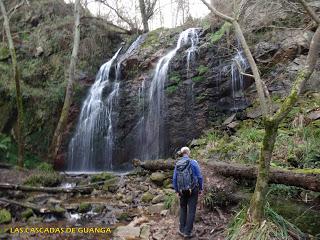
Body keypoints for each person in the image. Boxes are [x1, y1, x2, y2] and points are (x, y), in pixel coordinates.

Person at [173, 146, 203, 238]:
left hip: (182, 190)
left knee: (183, 208)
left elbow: (174, 178)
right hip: (193, 189)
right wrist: (200, 188)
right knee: (191, 211)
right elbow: (199, 177)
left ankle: (181, 229)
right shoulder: (193, 162)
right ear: (188, 153)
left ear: (182, 153)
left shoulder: (178, 163)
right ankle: (187, 232)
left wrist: (177, 190)